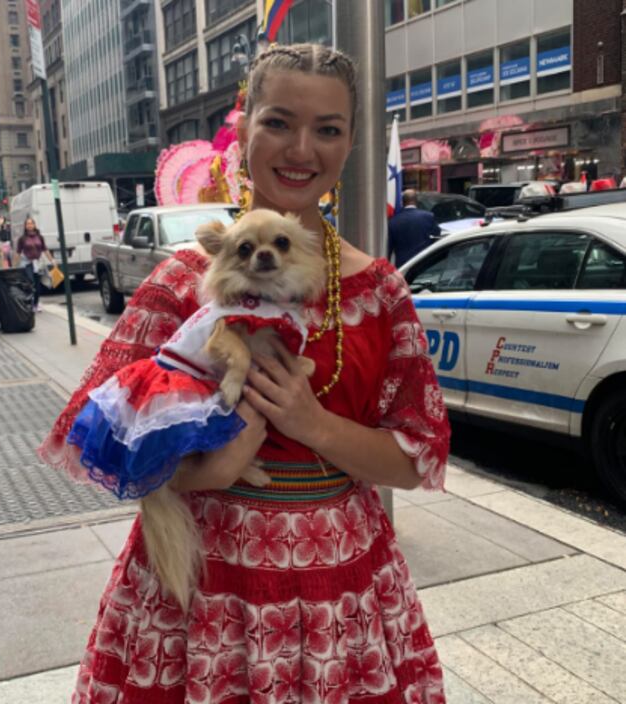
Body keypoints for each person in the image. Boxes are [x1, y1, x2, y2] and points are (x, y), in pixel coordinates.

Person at [39, 43, 450, 703]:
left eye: (329, 129)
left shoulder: (381, 291)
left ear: (350, 145)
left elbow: (416, 458)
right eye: (280, 122)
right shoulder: (184, 279)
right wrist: (214, 470)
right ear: (244, 130)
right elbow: (100, 433)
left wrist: (310, 422)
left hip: (339, 591)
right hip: (200, 585)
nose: (301, 149)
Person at [388, 188, 441, 267]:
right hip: (423, 263)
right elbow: (437, 235)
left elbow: (389, 248)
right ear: (416, 201)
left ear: (402, 202)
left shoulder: (393, 221)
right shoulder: (428, 216)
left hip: (403, 266)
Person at [15, 216, 54, 311]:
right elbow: (18, 252)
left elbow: (45, 249)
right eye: (28, 224)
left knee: (38, 285)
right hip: (27, 263)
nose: (30, 225)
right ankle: (30, 303)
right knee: (30, 282)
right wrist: (15, 266)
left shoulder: (39, 237)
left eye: (31, 223)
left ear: (34, 225)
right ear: (25, 226)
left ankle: (36, 303)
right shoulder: (22, 239)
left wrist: (52, 260)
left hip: (38, 263)